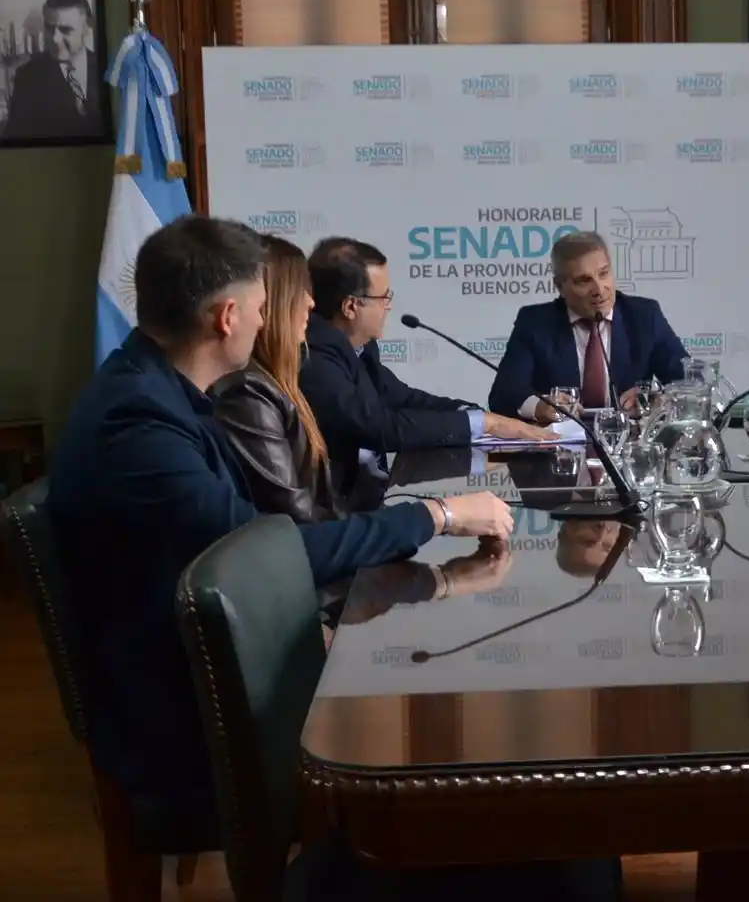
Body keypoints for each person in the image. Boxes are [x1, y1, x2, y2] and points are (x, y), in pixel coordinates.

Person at [45, 215, 513, 826]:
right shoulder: (140, 425)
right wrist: (438, 515)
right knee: (437, 752)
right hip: (187, 718)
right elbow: (267, 558)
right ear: (227, 318)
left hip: (209, 667)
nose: (276, 321)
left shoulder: (155, 391)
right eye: (264, 307)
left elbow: (259, 541)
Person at [300, 237, 552, 501]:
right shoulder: (315, 357)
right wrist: (485, 423)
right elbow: (376, 426)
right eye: (384, 297)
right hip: (338, 510)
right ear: (351, 306)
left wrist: (477, 417)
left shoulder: (360, 349)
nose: (389, 306)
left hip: (374, 496)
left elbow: (403, 398)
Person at [487, 231, 689, 420]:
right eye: (584, 281)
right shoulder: (535, 323)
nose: (600, 290)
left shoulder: (644, 316)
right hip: (559, 445)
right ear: (560, 286)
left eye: (604, 274)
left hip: (630, 444)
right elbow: (503, 395)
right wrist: (540, 406)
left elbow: (688, 382)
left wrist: (656, 397)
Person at [210, 235, 341, 522]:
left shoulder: (277, 379)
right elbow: (295, 517)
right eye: (300, 288)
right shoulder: (246, 393)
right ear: (270, 300)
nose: (311, 301)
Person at [2, 0, 106, 141]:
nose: (55, 39)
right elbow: (15, 138)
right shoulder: (28, 76)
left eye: (66, 30)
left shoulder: (108, 67)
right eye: (50, 28)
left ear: (88, 28)